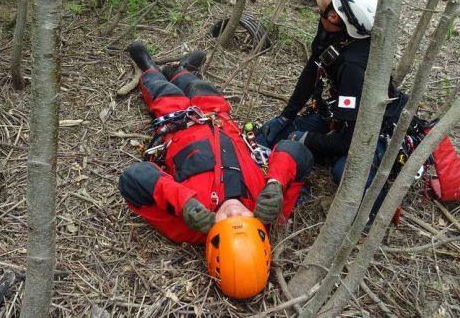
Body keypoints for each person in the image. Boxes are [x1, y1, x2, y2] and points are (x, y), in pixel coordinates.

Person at [118, 42, 313, 245]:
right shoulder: (269, 210)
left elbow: (134, 179)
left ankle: (148, 67)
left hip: (178, 123)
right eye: (244, 220)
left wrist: (184, 203)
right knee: (200, 87)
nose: (234, 212)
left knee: (163, 90)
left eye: (227, 223)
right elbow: (297, 152)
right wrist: (276, 184)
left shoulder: (191, 227)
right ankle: (180, 69)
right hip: (219, 116)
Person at [258, 0, 406, 220]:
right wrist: (286, 116)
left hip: (372, 129)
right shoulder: (332, 27)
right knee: (280, 133)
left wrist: (308, 140)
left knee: (344, 170)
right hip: (344, 111)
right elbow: (312, 68)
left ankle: (377, 211)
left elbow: (352, 139)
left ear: (336, 15)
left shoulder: (353, 67)